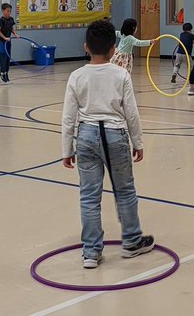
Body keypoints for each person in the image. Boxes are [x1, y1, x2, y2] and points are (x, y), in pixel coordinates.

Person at [61, 19, 155, 269]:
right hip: (116, 135)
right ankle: (132, 241)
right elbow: (131, 112)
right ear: (114, 49)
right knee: (125, 190)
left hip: (86, 136)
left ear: (86, 47)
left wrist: (66, 149)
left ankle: (91, 252)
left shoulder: (76, 76)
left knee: (89, 196)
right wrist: (138, 142)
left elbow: (68, 117)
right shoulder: (121, 74)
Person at [0, 3, 17, 84]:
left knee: (8, 57)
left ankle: (6, 73)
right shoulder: (1, 20)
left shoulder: (11, 19)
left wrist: (15, 34)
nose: (9, 12)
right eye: (7, 11)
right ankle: (1, 73)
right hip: (2, 41)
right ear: (3, 11)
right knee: (3, 57)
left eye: (10, 11)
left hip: (8, 41)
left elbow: (11, 28)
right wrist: (4, 37)